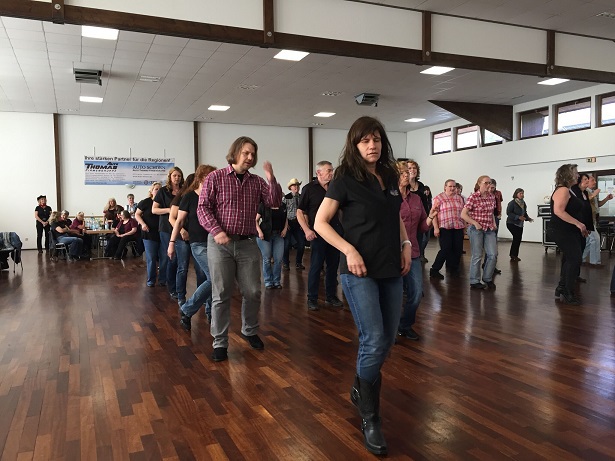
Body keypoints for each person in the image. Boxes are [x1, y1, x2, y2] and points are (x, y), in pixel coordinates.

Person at [313, 116, 411, 456]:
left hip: (390, 266)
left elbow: (395, 215)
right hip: (358, 270)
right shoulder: (344, 179)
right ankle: (370, 418)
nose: (373, 145)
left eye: (377, 139)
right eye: (365, 140)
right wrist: (348, 250)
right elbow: (320, 223)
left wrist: (406, 244)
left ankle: (359, 387)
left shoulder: (388, 176)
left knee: (388, 339)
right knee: (373, 339)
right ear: (355, 145)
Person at [197, 136, 282, 363]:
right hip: (220, 244)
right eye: (246, 153)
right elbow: (203, 208)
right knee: (221, 293)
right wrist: (216, 230)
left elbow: (274, 202)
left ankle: (249, 330)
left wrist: (271, 179)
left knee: (253, 291)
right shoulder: (215, 178)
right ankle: (220, 342)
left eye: (253, 153)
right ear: (235, 153)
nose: (250, 157)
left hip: (247, 243)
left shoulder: (257, 182)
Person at [168, 165, 217, 330]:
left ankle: (210, 312)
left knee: (212, 278)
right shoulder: (189, 197)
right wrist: (172, 243)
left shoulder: (214, 196)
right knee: (214, 277)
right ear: (202, 178)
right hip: (198, 244)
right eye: (211, 176)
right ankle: (187, 309)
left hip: (214, 243)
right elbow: (179, 221)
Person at [397, 161, 437, 341]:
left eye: (408, 172)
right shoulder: (387, 198)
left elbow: (422, 227)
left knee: (416, 293)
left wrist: (430, 217)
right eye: (403, 172)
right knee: (394, 295)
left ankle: (405, 325)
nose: (407, 175)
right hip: (391, 253)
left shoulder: (416, 199)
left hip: (412, 251)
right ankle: (390, 328)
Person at [297, 161, 344, 311]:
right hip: (318, 233)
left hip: (334, 232)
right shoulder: (309, 189)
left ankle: (331, 296)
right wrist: (307, 230)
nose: (331, 173)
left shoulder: (335, 188)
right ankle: (312, 298)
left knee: (333, 266)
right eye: (328, 170)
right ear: (319, 173)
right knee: (316, 267)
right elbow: (300, 212)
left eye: (332, 170)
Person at [549, 164, 588, 305]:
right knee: (574, 259)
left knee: (569, 259)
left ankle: (562, 287)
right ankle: (568, 292)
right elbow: (559, 211)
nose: (578, 175)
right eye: (576, 173)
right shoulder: (563, 190)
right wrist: (578, 224)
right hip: (561, 230)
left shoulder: (569, 190)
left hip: (568, 231)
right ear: (567, 175)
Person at [461, 176, 498, 290]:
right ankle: (474, 281)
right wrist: (475, 223)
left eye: (490, 183)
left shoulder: (492, 197)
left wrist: (493, 223)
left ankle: (487, 278)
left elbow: (491, 212)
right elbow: (463, 214)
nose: (488, 185)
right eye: (486, 183)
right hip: (476, 229)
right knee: (477, 255)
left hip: (489, 229)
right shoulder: (473, 197)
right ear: (479, 184)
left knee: (493, 254)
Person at [153, 167, 184, 297]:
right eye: (174, 176)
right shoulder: (163, 191)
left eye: (179, 176)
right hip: (166, 228)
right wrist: (169, 210)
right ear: (170, 177)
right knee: (171, 256)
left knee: (180, 259)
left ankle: (178, 285)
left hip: (181, 227)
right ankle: (170, 286)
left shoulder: (184, 190)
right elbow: (154, 210)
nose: (177, 178)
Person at [429, 179, 466, 279]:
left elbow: (463, 213)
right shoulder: (439, 198)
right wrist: (436, 228)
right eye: (450, 186)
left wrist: (464, 226)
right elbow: (433, 214)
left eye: (454, 186)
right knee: (445, 249)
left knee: (458, 249)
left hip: (458, 227)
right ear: (445, 187)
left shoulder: (460, 198)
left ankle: (454, 269)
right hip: (444, 227)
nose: (452, 188)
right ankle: (434, 269)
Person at [168, 173, 195, 304]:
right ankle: (181, 296)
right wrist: (182, 230)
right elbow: (172, 218)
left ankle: (202, 297)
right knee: (182, 267)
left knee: (200, 270)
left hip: (196, 237)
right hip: (181, 237)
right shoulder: (181, 198)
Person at [136, 182, 163, 287]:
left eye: (160, 189)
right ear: (151, 191)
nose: (158, 191)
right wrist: (143, 224)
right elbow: (137, 214)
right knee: (151, 258)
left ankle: (162, 279)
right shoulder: (145, 202)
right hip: (149, 233)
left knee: (164, 258)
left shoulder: (164, 202)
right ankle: (151, 280)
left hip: (162, 233)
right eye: (156, 189)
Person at [256, 202, 288, 289]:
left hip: (278, 235)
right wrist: (259, 232)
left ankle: (276, 281)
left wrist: (285, 229)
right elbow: (256, 220)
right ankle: (268, 281)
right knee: (267, 259)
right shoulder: (263, 205)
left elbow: (285, 219)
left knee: (278, 259)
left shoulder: (282, 205)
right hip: (265, 235)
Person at [584, 174, 613, 266]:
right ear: (587, 182)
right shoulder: (585, 192)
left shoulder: (592, 192)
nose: (595, 182)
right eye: (592, 180)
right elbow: (584, 202)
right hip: (587, 219)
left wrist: (606, 198)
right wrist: (593, 195)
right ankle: (595, 262)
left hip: (593, 218)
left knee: (589, 241)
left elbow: (598, 205)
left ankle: (581, 259)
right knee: (595, 239)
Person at [407, 160, 430, 263]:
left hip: (421, 217)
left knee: (423, 239)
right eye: (410, 168)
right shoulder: (403, 185)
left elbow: (424, 203)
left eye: (414, 168)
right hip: (408, 219)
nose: (412, 170)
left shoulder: (421, 185)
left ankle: (419, 256)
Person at [282, 178, 306, 270]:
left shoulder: (301, 197)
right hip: (288, 222)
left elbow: (304, 211)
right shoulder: (285, 198)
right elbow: (283, 212)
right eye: (294, 185)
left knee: (301, 243)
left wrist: (304, 223)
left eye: (297, 185)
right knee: (286, 244)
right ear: (290, 187)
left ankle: (298, 262)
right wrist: (285, 224)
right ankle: (286, 263)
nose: (296, 187)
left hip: (298, 223)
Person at [506, 188, 534, 262]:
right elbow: (509, 213)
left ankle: (514, 255)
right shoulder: (512, 203)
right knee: (517, 238)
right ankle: (513, 255)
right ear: (516, 194)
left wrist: (528, 218)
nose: (522, 195)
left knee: (518, 239)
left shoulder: (523, 203)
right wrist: (518, 217)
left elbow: (524, 213)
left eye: (522, 193)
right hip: (511, 223)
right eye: (520, 193)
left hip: (520, 224)